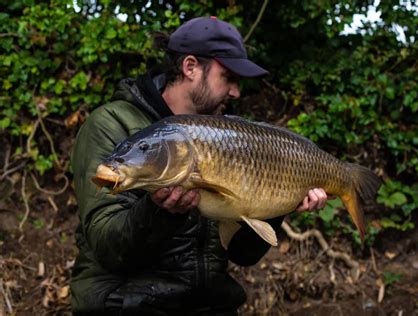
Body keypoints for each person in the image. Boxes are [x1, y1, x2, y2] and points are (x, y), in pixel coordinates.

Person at [70, 16, 329, 315]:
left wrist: (279, 201)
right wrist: (160, 212)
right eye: (228, 78)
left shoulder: (231, 136)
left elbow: (243, 255)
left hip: (208, 304)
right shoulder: (111, 124)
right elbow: (108, 247)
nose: (236, 92)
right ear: (190, 67)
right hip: (126, 303)